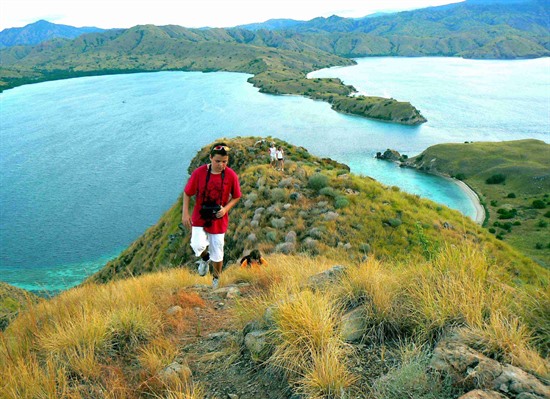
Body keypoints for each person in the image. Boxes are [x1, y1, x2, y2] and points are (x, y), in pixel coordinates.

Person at [182, 143, 241, 288]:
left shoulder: (231, 175)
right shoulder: (199, 173)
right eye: (218, 161)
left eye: (224, 162)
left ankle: (216, 279)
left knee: (218, 251)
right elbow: (188, 193)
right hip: (200, 215)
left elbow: (237, 196)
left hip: (218, 218)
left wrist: (226, 209)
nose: (221, 165)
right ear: (210, 158)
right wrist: (185, 213)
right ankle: (204, 259)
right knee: (197, 245)